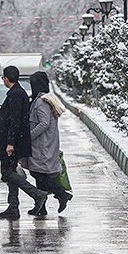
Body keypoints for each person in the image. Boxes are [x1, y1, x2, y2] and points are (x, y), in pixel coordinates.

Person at [0, 66, 47, 220]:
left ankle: (37, 194)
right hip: (14, 140)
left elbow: (15, 121)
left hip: (13, 142)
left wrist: (10, 143)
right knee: (11, 172)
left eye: (3, 78)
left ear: (6, 78)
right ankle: (13, 206)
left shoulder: (16, 95)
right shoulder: (16, 92)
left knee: (8, 173)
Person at [27, 71, 72, 215]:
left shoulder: (41, 102)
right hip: (46, 144)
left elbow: (44, 123)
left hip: (42, 145)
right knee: (40, 173)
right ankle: (42, 207)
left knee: (37, 173)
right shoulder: (47, 99)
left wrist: (29, 136)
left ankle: (61, 194)